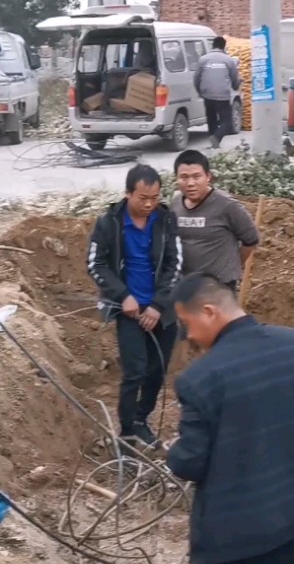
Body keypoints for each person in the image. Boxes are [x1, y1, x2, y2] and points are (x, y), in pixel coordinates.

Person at [167, 273, 294, 564]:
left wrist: (174, 452)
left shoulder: (199, 379)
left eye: (186, 324)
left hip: (238, 540)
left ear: (209, 311)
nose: (190, 336)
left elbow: (191, 462)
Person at [87, 164, 182, 449]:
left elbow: (174, 266)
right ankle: (126, 431)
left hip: (162, 311)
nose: (149, 204)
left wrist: (158, 305)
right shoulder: (110, 222)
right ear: (128, 193)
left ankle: (142, 420)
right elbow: (96, 264)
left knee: (157, 370)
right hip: (127, 310)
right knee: (134, 371)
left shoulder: (166, 221)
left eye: (154, 197)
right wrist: (122, 295)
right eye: (143, 198)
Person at [171, 149, 259, 295]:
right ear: (177, 179)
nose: (190, 183)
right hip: (187, 287)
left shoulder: (227, 206)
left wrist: (231, 267)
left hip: (219, 288)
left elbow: (251, 240)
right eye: (184, 177)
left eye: (196, 176)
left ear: (208, 177)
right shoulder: (175, 205)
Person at [194, 36, 241, 149]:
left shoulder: (203, 59)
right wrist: (235, 86)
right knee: (228, 122)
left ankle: (214, 141)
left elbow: (196, 78)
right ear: (223, 47)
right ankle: (216, 137)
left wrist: (200, 91)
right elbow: (234, 78)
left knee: (211, 118)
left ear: (213, 45)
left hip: (207, 95)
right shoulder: (228, 60)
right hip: (222, 96)